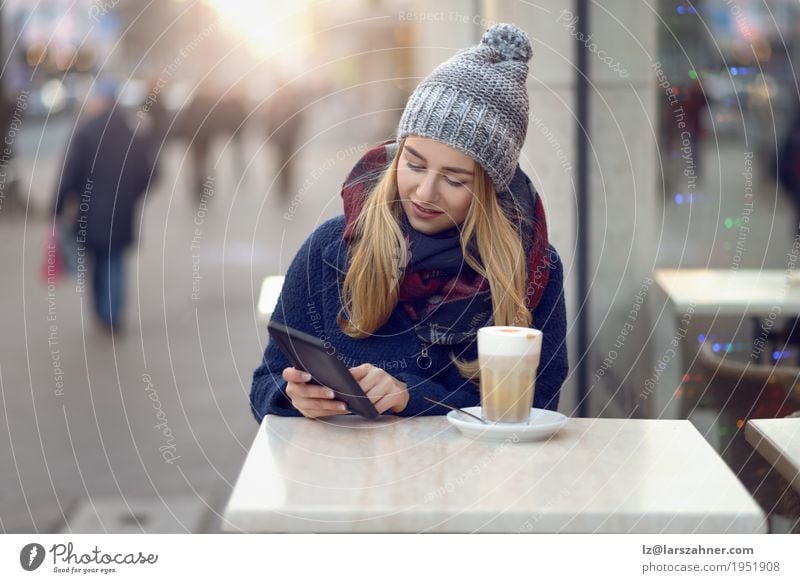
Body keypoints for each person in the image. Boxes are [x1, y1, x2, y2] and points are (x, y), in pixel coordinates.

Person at [250, 23, 569, 421]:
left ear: (491, 189)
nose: (424, 191)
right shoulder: (330, 248)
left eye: (455, 179)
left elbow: (538, 409)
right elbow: (264, 383)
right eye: (414, 164)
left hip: (476, 483)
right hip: (348, 481)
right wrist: (292, 396)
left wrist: (412, 396)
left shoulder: (533, 271)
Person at [54, 81, 153, 333]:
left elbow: (71, 173)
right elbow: (150, 172)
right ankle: (112, 314)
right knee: (115, 260)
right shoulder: (132, 131)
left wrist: (58, 205)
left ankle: (102, 312)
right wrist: (132, 194)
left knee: (97, 261)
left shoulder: (86, 131)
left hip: (90, 212)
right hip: (121, 210)